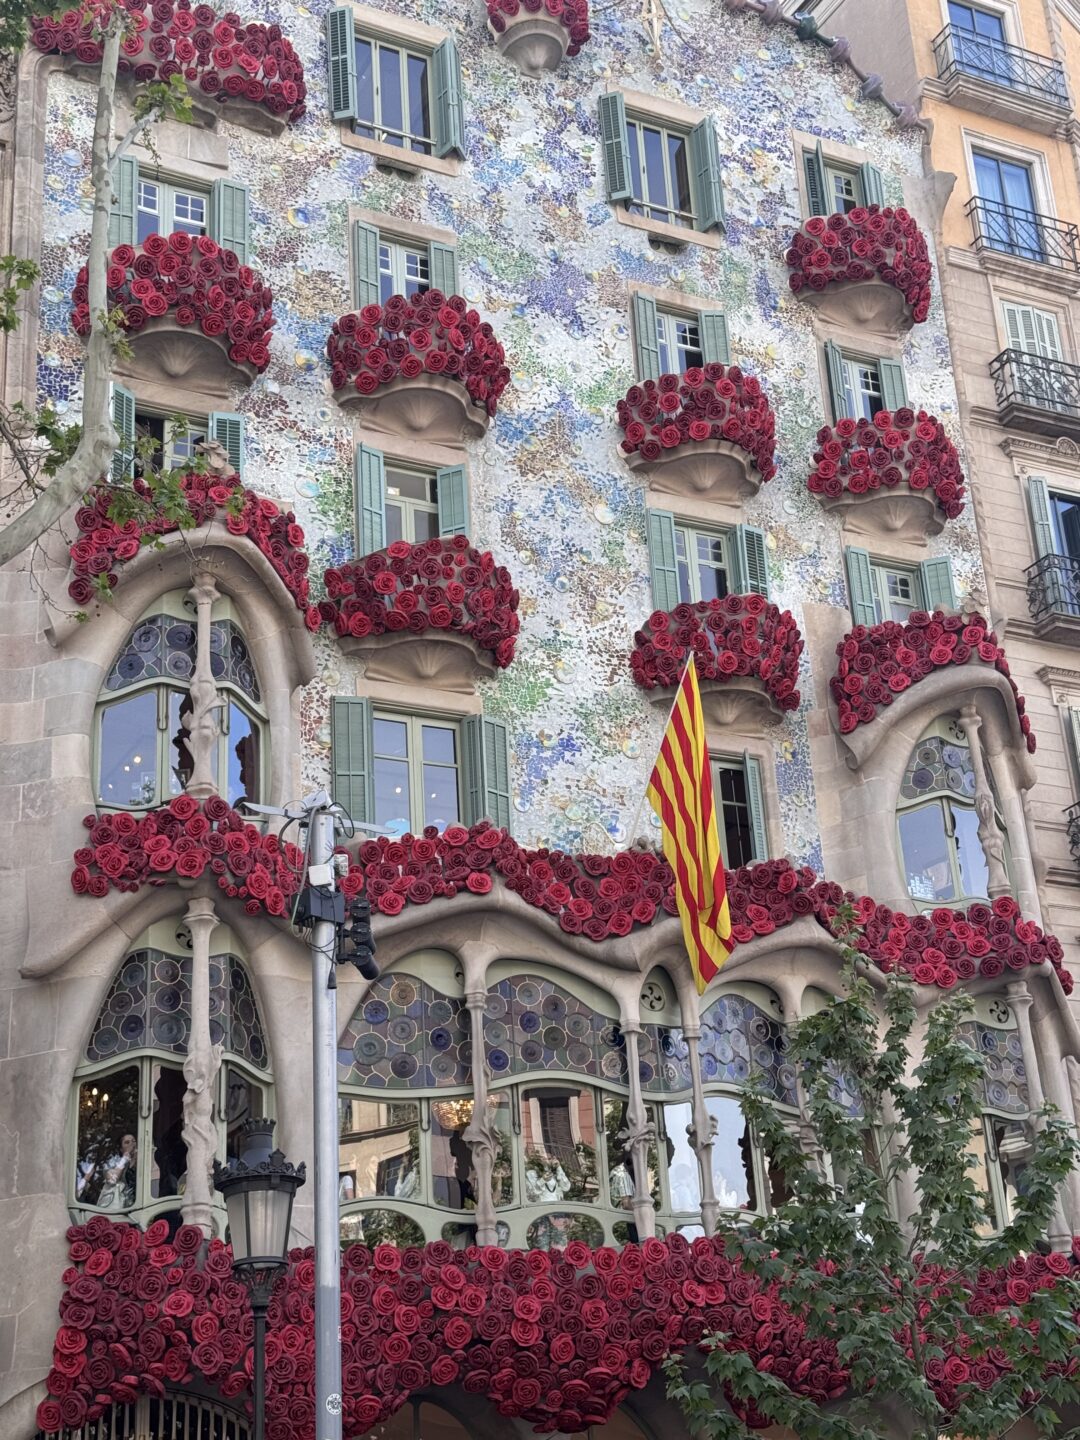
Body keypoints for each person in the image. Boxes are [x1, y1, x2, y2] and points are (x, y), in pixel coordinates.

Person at [95, 1134, 137, 1210]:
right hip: (121, 1209)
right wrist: (125, 1158)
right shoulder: (114, 1163)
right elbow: (112, 1180)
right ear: (121, 1149)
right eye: (127, 1142)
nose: (131, 1144)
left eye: (133, 1141)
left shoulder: (142, 1162)